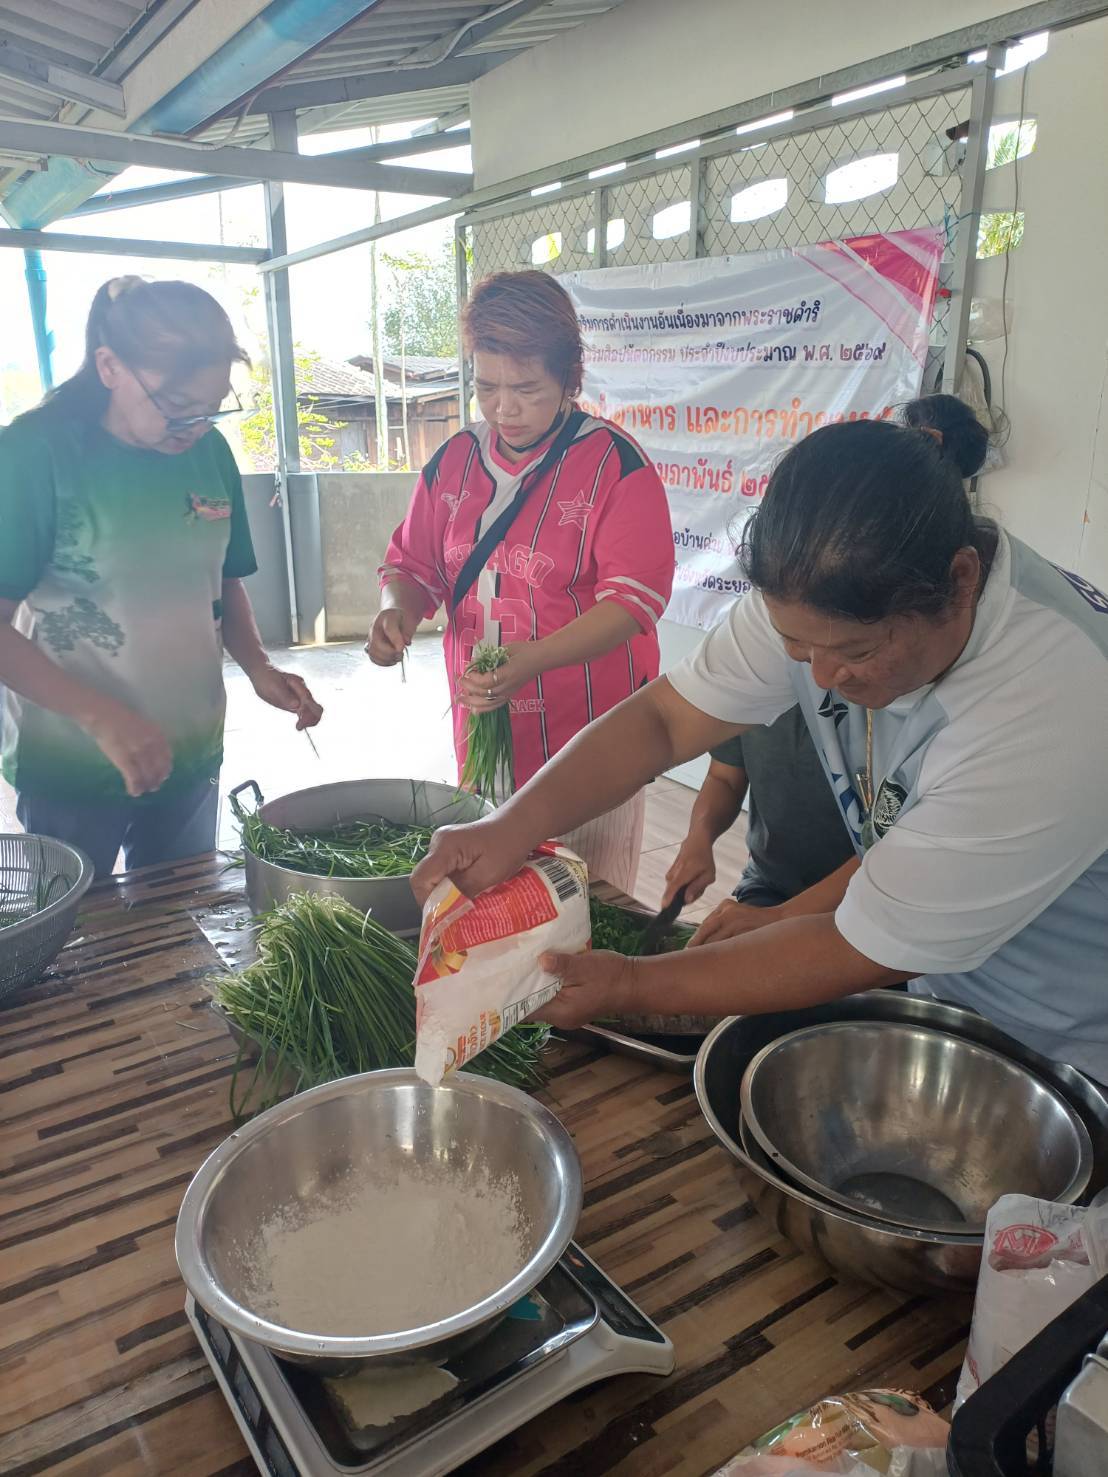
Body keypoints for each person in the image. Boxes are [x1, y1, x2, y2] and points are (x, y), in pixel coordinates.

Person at [412, 395, 1108, 1083]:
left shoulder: (1052, 699)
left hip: (1072, 1046)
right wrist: (511, 825)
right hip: (951, 997)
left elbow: (855, 942)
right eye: (797, 649)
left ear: (958, 583)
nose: (826, 678)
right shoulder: (817, 587)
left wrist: (628, 983)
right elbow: (664, 721)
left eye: (855, 653)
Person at [0, 276, 322, 878]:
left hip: (190, 753)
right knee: (79, 948)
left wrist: (259, 668)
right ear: (109, 366)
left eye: (211, 405)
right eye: (176, 406)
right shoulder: (31, 454)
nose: (196, 424)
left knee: (182, 925)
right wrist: (101, 716)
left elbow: (223, 584)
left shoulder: (210, 453)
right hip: (72, 763)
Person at [367, 270, 674, 892]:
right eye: (486, 386)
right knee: (490, 901)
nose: (503, 408)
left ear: (570, 377)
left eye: (527, 389)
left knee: (584, 902)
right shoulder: (454, 460)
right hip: (484, 736)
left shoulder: (614, 465)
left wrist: (534, 659)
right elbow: (412, 565)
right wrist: (395, 610)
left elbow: (633, 604)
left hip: (590, 745)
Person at [663, 705, 856, 946]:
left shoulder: (882, 698)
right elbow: (724, 778)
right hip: (769, 884)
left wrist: (782, 917)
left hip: (868, 901)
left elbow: (888, 852)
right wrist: (699, 838)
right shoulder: (749, 687)